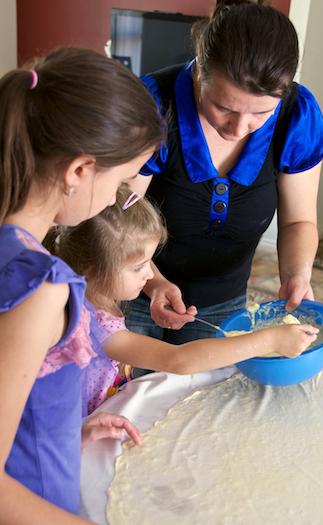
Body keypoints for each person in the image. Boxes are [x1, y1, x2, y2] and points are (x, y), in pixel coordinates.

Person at [0, 46, 164, 523]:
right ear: (78, 171)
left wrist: (65, 434)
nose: (118, 197)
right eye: (120, 182)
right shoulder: (42, 286)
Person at [125, 0, 323, 346]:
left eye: (260, 113)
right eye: (223, 107)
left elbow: (298, 223)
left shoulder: (297, 117)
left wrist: (297, 275)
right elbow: (119, 218)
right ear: (200, 71)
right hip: (130, 286)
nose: (239, 128)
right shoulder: (154, 107)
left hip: (223, 301)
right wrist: (151, 282)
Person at [52, 185, 319, 416]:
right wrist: (270, 340)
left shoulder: (95, 298)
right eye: (137, 267)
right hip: (79, 428)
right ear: (91, 268)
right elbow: (178, 360)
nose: (149, 274)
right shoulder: (96, 324)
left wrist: (156, 285)